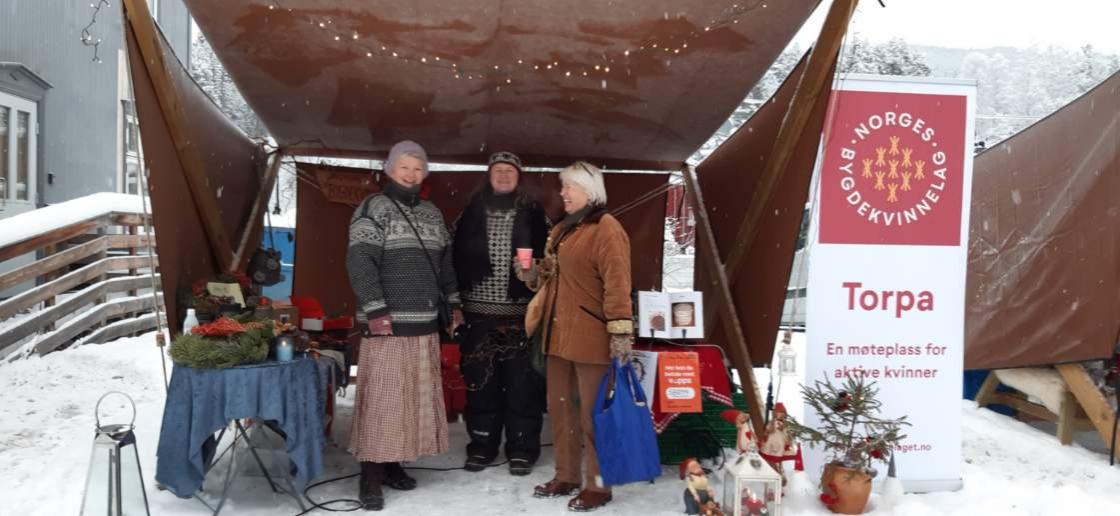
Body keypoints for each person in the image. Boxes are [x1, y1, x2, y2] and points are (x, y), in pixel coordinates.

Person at [346, 140, 463, 511]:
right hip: (387, 325)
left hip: (424, 323)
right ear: (390, 169)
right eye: (405, 167)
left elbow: (445, 265)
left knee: (410, 398)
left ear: (425, 173)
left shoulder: (432, 213)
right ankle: (370, 477)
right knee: (383, 401)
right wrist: (376, 309)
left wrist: (454, 303)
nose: (411, 174)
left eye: (418, 168)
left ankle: (394, 463)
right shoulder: (372, 208)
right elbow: (360, 262)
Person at [519, 161, 634, 512]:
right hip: (557, 336)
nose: (562, 193)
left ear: (590, 190)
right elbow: (550, 279)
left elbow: (618, 283)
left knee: (593, 416)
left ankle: (598, 486)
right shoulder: (563, 230)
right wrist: (530, 271)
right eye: (562, 187)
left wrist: (620, 332)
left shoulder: (606, 228)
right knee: (561, 410)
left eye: (569, 187)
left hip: (591, 337)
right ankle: (566, 475)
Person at [451, 151, 550, 475]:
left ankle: (522, 448)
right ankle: (482, 446)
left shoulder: (536, 215)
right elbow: (450, 261)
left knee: (523, 390)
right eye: (498, 171)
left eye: (510, 171)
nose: (504, 176)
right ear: (489, 175)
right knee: (482, 386)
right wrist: (453, 305)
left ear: (519, 176)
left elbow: (552, 264)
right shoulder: (469, 213)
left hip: (522, 318)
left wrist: (533, 271)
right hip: (478, 316)